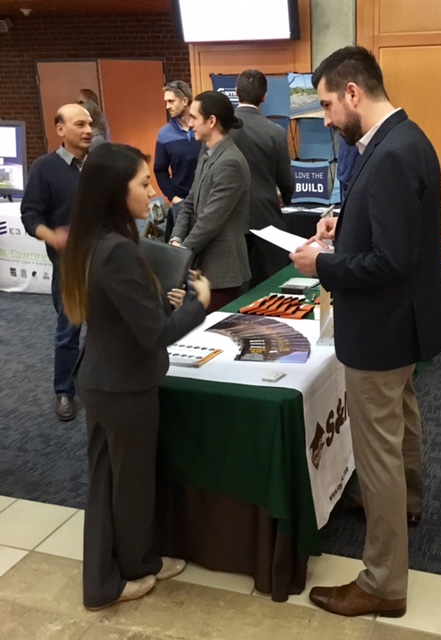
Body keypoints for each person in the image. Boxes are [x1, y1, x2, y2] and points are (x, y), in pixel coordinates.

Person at [290, 46, 441, 618]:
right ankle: (405, 503)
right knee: (402, 419)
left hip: (381, 329)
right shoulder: (404, 138)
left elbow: (390, 263)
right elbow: (394, 236)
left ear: (353, 93)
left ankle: (383, 581)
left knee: (375, 450)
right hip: (405, 326)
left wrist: (323, 265)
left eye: (329, 104)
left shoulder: (386, 156)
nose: (327, 118)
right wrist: (344, 225)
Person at [60, 143, 211, 610]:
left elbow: (126, 314)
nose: (154, 192)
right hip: (123, 385)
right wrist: (197, 304)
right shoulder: (116, 251)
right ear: (114, 190)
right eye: (144, 183)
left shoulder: (95, 240)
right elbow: (155, 334)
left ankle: (122, 569)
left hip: (104, 378)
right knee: (131, 483)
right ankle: (129, 571)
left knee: (110, 479)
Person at [20, 103, 93, 421]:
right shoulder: (44, 168)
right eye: (80, 124)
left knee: (108, 329)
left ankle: (99, 384)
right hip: (70, 266)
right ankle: (65, 392)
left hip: (107, 260)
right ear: (61, 129)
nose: (89, 130)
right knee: (69, 330)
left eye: (90, 123)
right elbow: (30, 215)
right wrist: (51, 236)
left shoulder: (102, 164)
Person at [169, 91, 251, 312]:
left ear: (211, 120)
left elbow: (210, 221)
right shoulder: (208, 152)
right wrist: (176, 238)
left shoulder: (230, 162)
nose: (190, 123)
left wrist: (179, 253)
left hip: (222, 275)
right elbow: (189, 202)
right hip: (202, 270)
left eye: (194, 117)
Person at [230, 69, 295, 286]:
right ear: (264, 96)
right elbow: (286, 180)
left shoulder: (220, 129)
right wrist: (286, 197)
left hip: (228, 220)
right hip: (266, 220)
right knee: (271, 287)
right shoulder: (275, 132)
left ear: (236, 91)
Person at [154, 80, 202, 223]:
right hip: (181, 202)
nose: (167, 106)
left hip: (207, 201)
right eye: (166, 102)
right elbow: (160, 170)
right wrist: (174, 198)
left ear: (185, 101)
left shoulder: (203, 127)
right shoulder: (164, 134)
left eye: (171, 101)